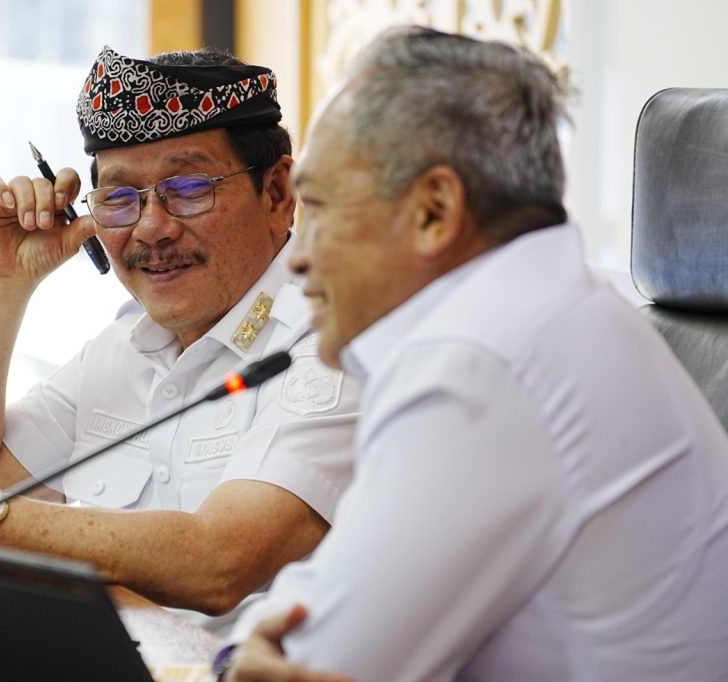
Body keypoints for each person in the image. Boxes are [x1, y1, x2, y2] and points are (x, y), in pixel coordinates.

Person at [219, 26, 728, 681]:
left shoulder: (480, 362)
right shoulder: (549, 306)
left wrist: (240, 657)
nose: (297, 256)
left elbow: (318, 660)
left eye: (316, 208)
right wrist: (247, 651)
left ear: (435, 210)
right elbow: (316, 598)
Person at [0, 45, 358, 624]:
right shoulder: (122, 351)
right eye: (120, 199)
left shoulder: (333, 344)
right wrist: (1, 286)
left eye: (191, 188)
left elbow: (218, 561)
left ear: (277, 194)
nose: (152, 227)